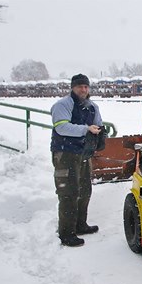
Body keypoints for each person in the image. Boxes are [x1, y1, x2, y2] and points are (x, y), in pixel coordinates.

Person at [51, 73, 103, 247]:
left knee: (85, 189)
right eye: (80, 86)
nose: (83, 89)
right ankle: (66, 233)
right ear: (73, 87)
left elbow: (98, 124)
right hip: (64, 153)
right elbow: (61, 127)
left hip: (83, 154)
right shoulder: (63, 105)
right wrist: (86, 129)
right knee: (69, 192)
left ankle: (80, 224)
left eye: (86, 86)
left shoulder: (92, 107)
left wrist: (100, 133)